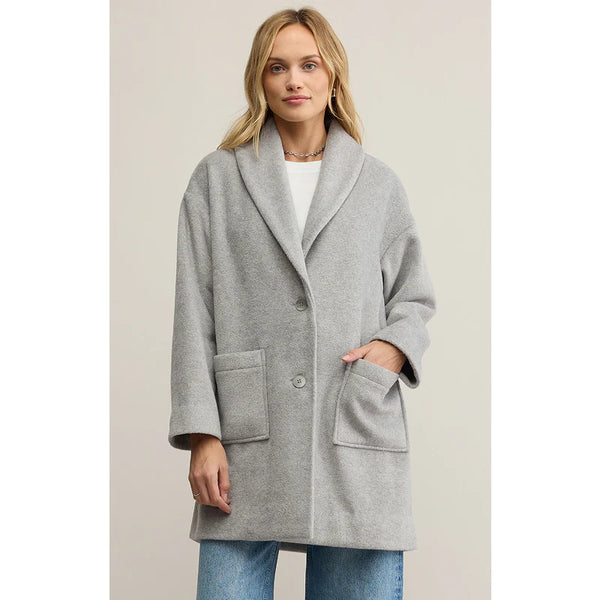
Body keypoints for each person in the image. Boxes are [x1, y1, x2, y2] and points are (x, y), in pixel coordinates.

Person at [168, 7, 437, 600]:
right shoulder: (217, 179)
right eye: (277, 67)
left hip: (352, 426)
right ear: (259, 80)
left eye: (309, 65)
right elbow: (193, 311)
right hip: (246, 432)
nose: (295, 80)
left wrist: (391, 350)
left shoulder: (377, 184)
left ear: (333, 74)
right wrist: (202, 434)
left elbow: (414, 296)